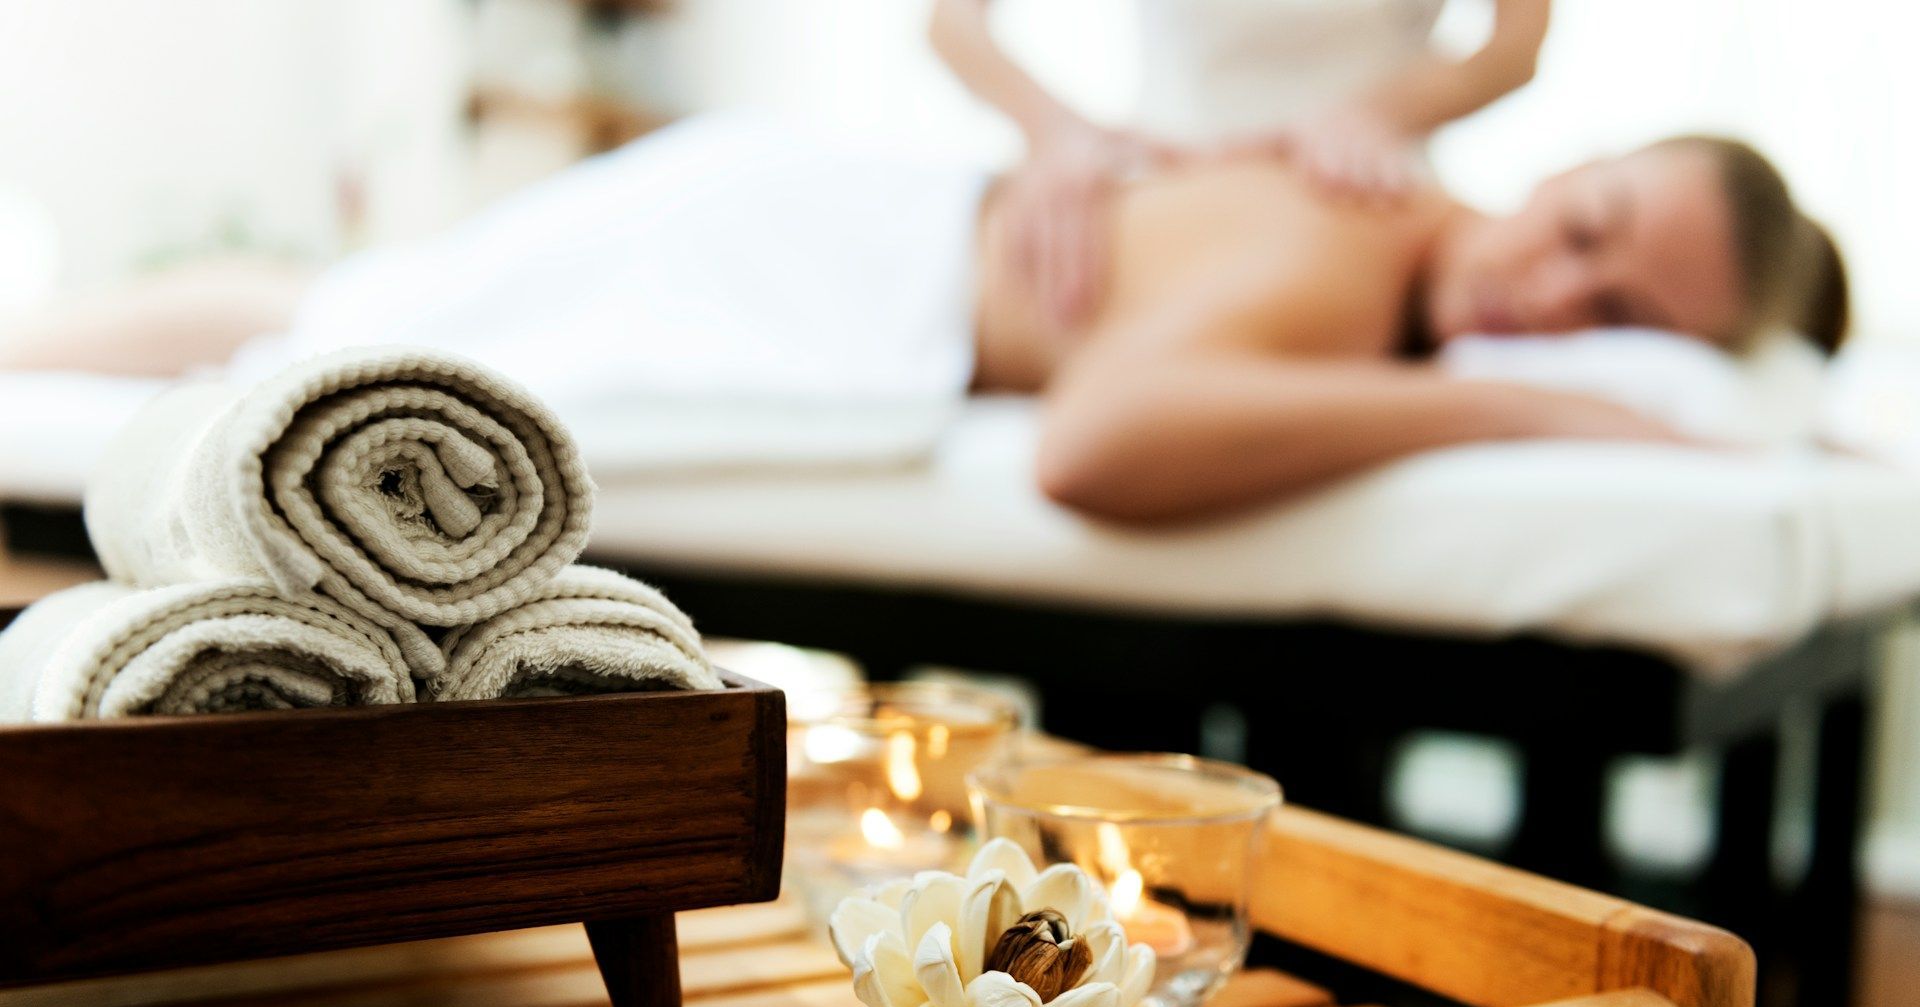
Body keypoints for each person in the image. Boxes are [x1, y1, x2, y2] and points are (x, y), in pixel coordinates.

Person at [0, 115, 1847, 524]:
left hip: (837, 222)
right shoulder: (1341, 247)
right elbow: (1101, 446)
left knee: (351, 309)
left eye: (1618, 315)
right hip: (802, 249)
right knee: (353, 318)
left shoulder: (1369, 237)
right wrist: (1527, 416)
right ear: (1565, 164)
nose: (1559, 294)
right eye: (1588, 228)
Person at [931, 0, 1552, 323]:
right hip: (1170, 185)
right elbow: (950, 20)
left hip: (1361, 194)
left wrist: (1375, 115)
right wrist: (1058, 132)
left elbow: (1515, 47)